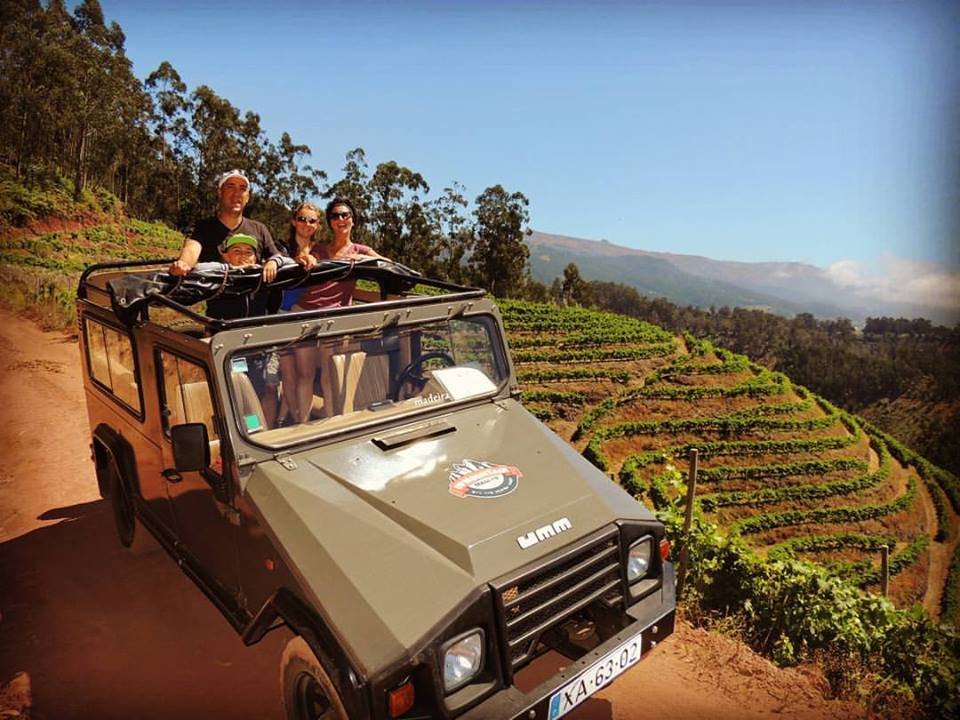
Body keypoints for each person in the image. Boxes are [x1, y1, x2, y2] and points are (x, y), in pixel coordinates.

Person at [279, 198, 386, 423]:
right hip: (305, 313)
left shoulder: (360, 250)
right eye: (335, 216)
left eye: (345, 215)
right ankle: (303, 425)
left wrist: (363, 259)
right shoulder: (320, 249)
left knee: (329, 375)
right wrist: (306, 258)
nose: (340, 220)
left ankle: (330, 423)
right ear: (329, 222)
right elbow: (303, 257)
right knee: (305, 374)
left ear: (353, 221)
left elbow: (386, 264)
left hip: (333, 320)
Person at [206, 232, 284, 426]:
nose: (243, 256)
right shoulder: (219, 280)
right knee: (239, 392)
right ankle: (246, 430)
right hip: (231, 350)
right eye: (236, 251)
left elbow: (284, 262)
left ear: (256, 257)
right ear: (226, 256)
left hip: (256, 348)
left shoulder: (264, 280)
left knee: (258, 390)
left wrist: (273, 263)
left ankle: (258, 429)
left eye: (249, 252)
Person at [169, 169, 283, 284]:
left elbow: (276, 256)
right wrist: (183, 264)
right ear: (220, 192)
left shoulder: (259, 228)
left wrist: (273, 262)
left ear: (247, 197)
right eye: (230, 186)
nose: (237, 193)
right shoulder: (203, 227)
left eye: (242, 189)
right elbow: (191, 250)